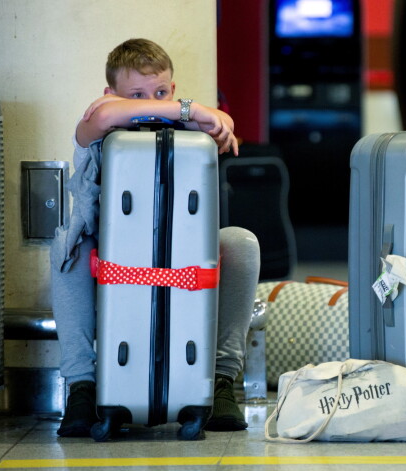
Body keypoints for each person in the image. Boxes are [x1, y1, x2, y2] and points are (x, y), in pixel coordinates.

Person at [50, 38, 260, 437]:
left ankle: (219, 381)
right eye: (138, 95)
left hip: (179, 260)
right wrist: (191, 108)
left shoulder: (185, 131)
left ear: (173, 89)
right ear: (109, 95)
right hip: (112, 262)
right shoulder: (97, 125)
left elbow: (221, 128)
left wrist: (205, 119)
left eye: (161, 92)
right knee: (67, 245)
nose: (152, 103)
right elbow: (107, 117)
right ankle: (82, 385)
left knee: (241, 243)